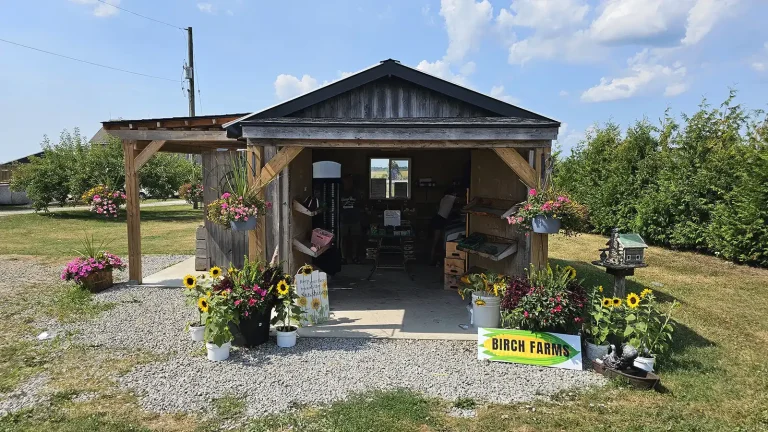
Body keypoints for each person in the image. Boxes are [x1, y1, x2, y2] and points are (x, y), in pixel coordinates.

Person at [429, 186, 457, 265]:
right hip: (440, 220)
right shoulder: (451, 198)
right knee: (436, 241)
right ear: (452, 193)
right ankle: (432, 260)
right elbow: (462, 200)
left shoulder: (444, 198)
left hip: (438, 218)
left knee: (437, 241)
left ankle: (434, 259)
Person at [340, 174, 363, 264]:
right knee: (343, 239)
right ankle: (343, 257)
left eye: (349, 182)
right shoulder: (340, 192)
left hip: (355, 219)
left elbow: (361, 204)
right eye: (346, 182)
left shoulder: (356, 193)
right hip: (344, 219)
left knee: (355, 239)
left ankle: (354, 257)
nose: (348, 183)